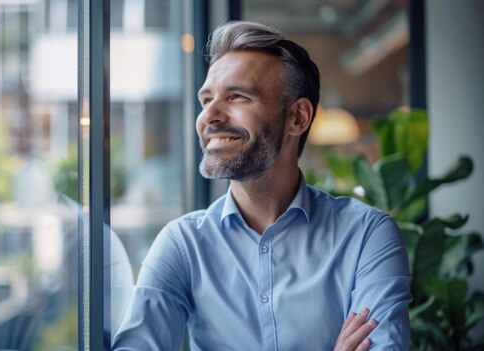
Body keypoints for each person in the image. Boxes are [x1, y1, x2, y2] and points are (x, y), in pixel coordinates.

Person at [112, 21, 411, 350]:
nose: (208, 116)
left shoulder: (367, 235)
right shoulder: (183, 245)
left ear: (297, 117)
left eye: (237, 96)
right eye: (206, 99)